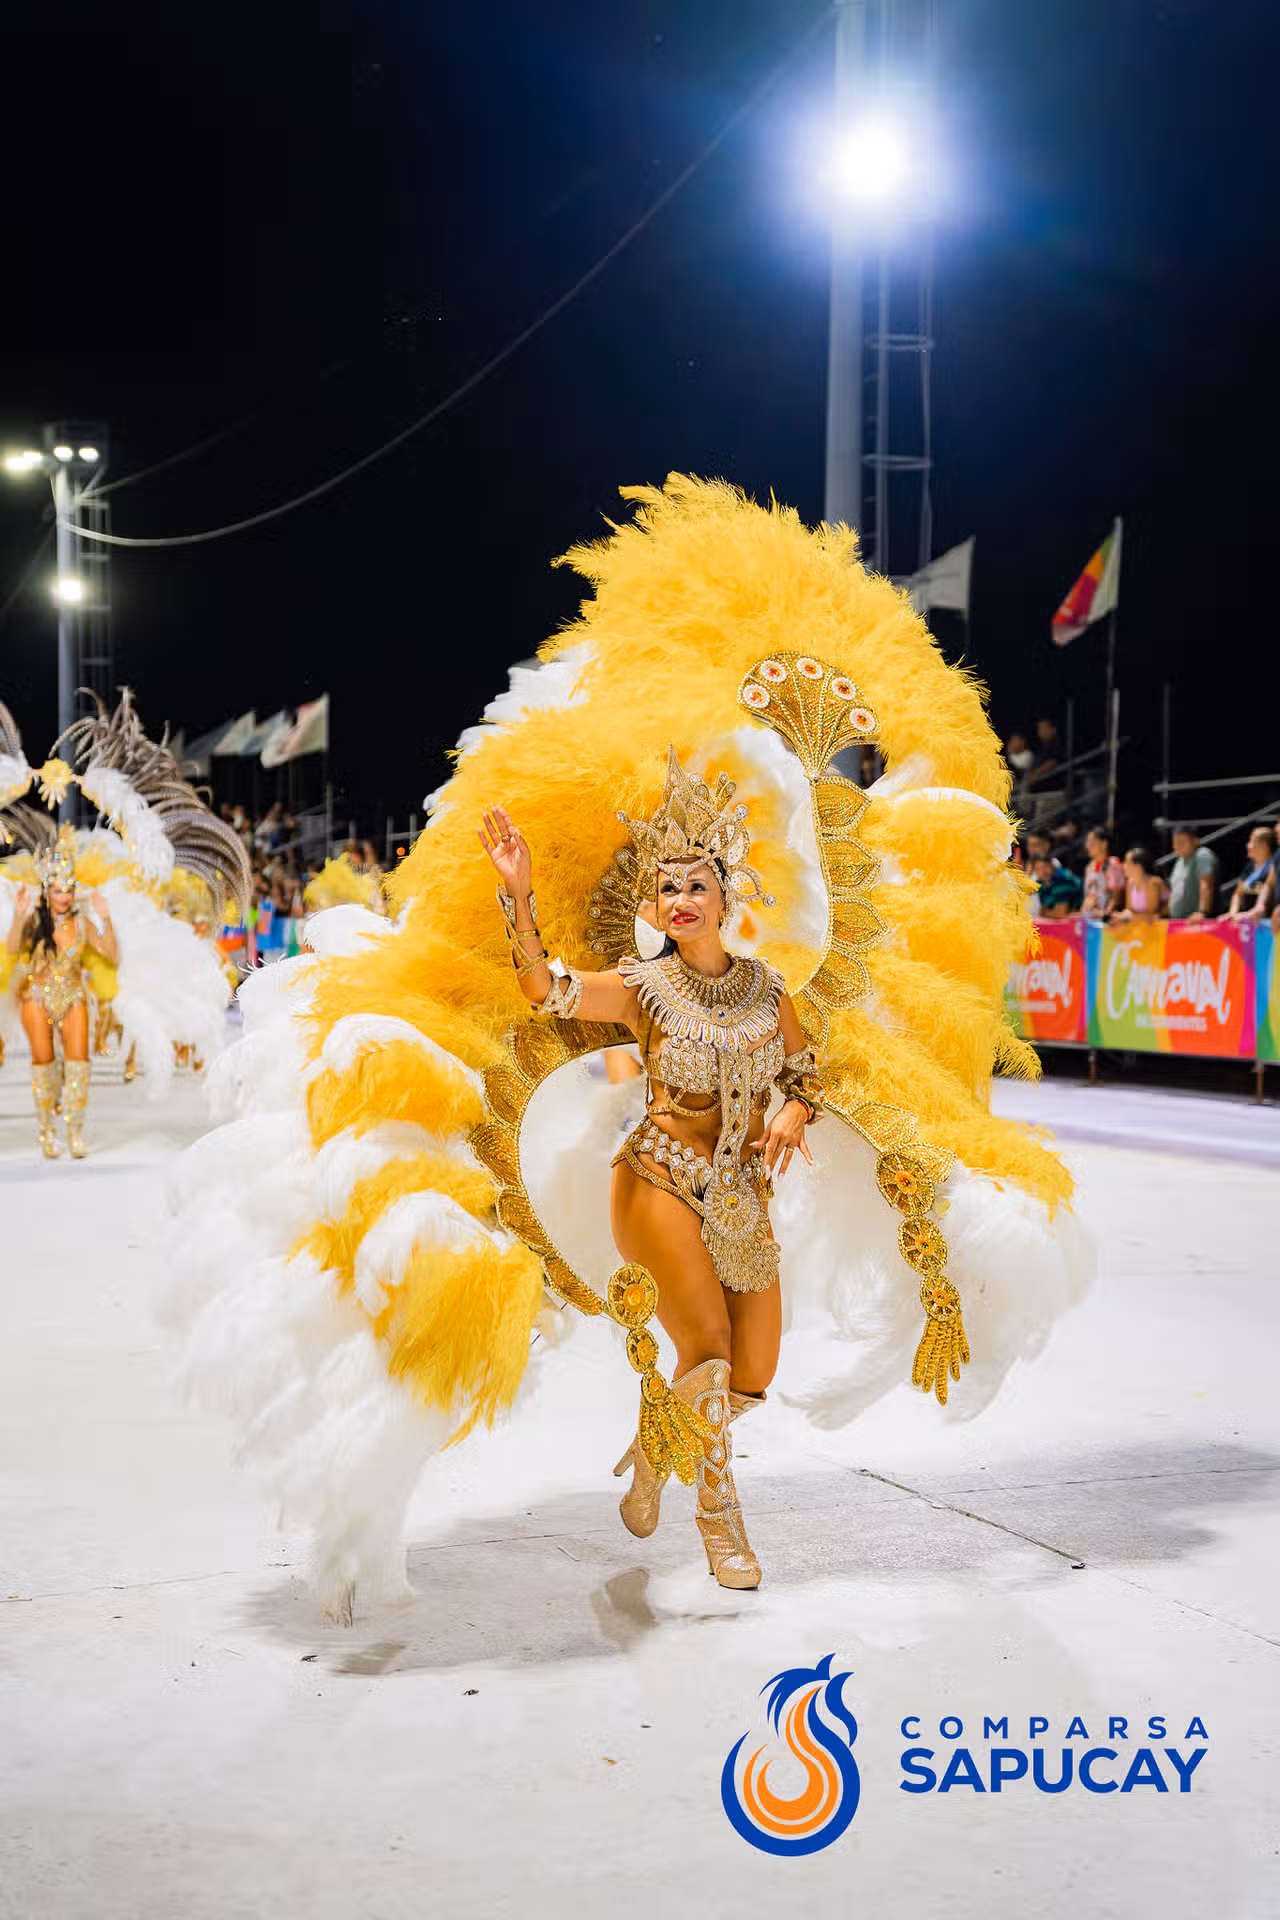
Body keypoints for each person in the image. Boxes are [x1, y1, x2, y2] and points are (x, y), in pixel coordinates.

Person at [166, 475, 1087, 1622]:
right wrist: (512, 897)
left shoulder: (769, 987)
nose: (682, 897)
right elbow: (547, 985)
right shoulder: (641, 983)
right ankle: (720, 1520)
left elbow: (807, 1063)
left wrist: (799, 1111)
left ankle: (661, 1448)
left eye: (697, 882)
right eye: (667, 884)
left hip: (742, 1195)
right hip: (651, 1180)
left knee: (746, 1375)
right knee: (701, 1344)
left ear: (729, 892)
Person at [3, 826, 117, 1157]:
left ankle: (75, 1132)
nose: (64, 897)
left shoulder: (82, 923)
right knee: (43, 1063)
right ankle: (47, 1133)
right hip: (35, 997)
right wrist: (18, 914)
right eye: (56, 890)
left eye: (68, 890)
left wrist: (106, 919)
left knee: (79, 1062)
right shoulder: (35, 921)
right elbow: (12, 947)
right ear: (47, 891)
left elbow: (110, 954)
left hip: (74, 995)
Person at [1168, 826, 1220, 921]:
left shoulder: (1202, 855)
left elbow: (1207, 883)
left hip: (1198, 922)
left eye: (1181, 842)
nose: (1176, 846)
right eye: (1174, 842)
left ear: (1195, 841)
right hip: (1180, 923)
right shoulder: (1179, 861)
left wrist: (1202, 912)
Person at [1227, 827, 1277, 922]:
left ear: (1264, 846)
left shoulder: (1273, 865)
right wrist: (1233, 914)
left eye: (1252, 841)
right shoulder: (1250, 867)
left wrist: (1252, 913)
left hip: (1265, 922)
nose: (1248, 845)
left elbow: (1269, 893)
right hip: (1246, 919)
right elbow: (1238, 893)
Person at [1026, 718, 1066, 824]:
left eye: (1044, 728)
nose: (1041, 732)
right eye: (1039, 729)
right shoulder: (1042, 746)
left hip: (1053, 792)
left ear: (1053, 730)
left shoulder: (1057, 744)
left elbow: (1052, 762)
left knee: (1041, 824)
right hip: (1040, 793)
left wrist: (1036, 774)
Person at [1112, 846, 1167, 919]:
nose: (1123, 865)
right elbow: (1130, 910)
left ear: (1138, 866)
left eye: (1126, 862)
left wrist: (1123, 918)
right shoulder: (1130, 883)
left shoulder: (1153, 883)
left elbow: (1151, 916)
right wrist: (1119, 915)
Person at [1082, 826, 1126, 918]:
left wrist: (1105, 915)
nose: (1088, 846)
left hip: (1106, 920)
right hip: (1089, 919)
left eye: (1092, 842)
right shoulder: (1088, 867)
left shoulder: (1113, 864)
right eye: (1087, 842)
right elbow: (1088, 895)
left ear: (1104, 844)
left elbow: (1116, 898)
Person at [1029, 852, 1083, 919]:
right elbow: (1042, 911)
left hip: (1079, 922)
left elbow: (1060, 914)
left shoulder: (1062, 879)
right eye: (1038, 869)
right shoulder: (1041, 883)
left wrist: (1046, 913)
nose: (1043, 872)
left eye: (1045, 867)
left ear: (1052, 865)